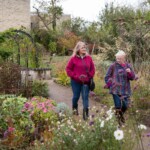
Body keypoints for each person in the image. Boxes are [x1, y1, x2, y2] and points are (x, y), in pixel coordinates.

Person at [104, 50, 136, 125]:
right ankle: (119, 122)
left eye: (119, 58)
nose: (118, 60)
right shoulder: (113, 66)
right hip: (115, 90)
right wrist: (110, 84)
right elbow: (107, 77)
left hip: (125, 90)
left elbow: (132, 77)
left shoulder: (128, 66)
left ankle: (119, 116)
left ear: (124, 58)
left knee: (125, 105)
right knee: (118, 106)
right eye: (117, 58)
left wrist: (129, 72)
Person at [66, 41, 95, 120]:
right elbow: (68, 69)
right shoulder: (73, 59)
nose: (84, 49)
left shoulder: (89, 58)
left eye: (85, 47)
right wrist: (75, 76)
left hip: (86, 82)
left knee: (85, 97)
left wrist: (89, 77)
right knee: (76, 96)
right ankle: (75, 110)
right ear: (78, 49)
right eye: (82, 47)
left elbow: (92, 69)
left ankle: (85, 115)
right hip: (75, 82)